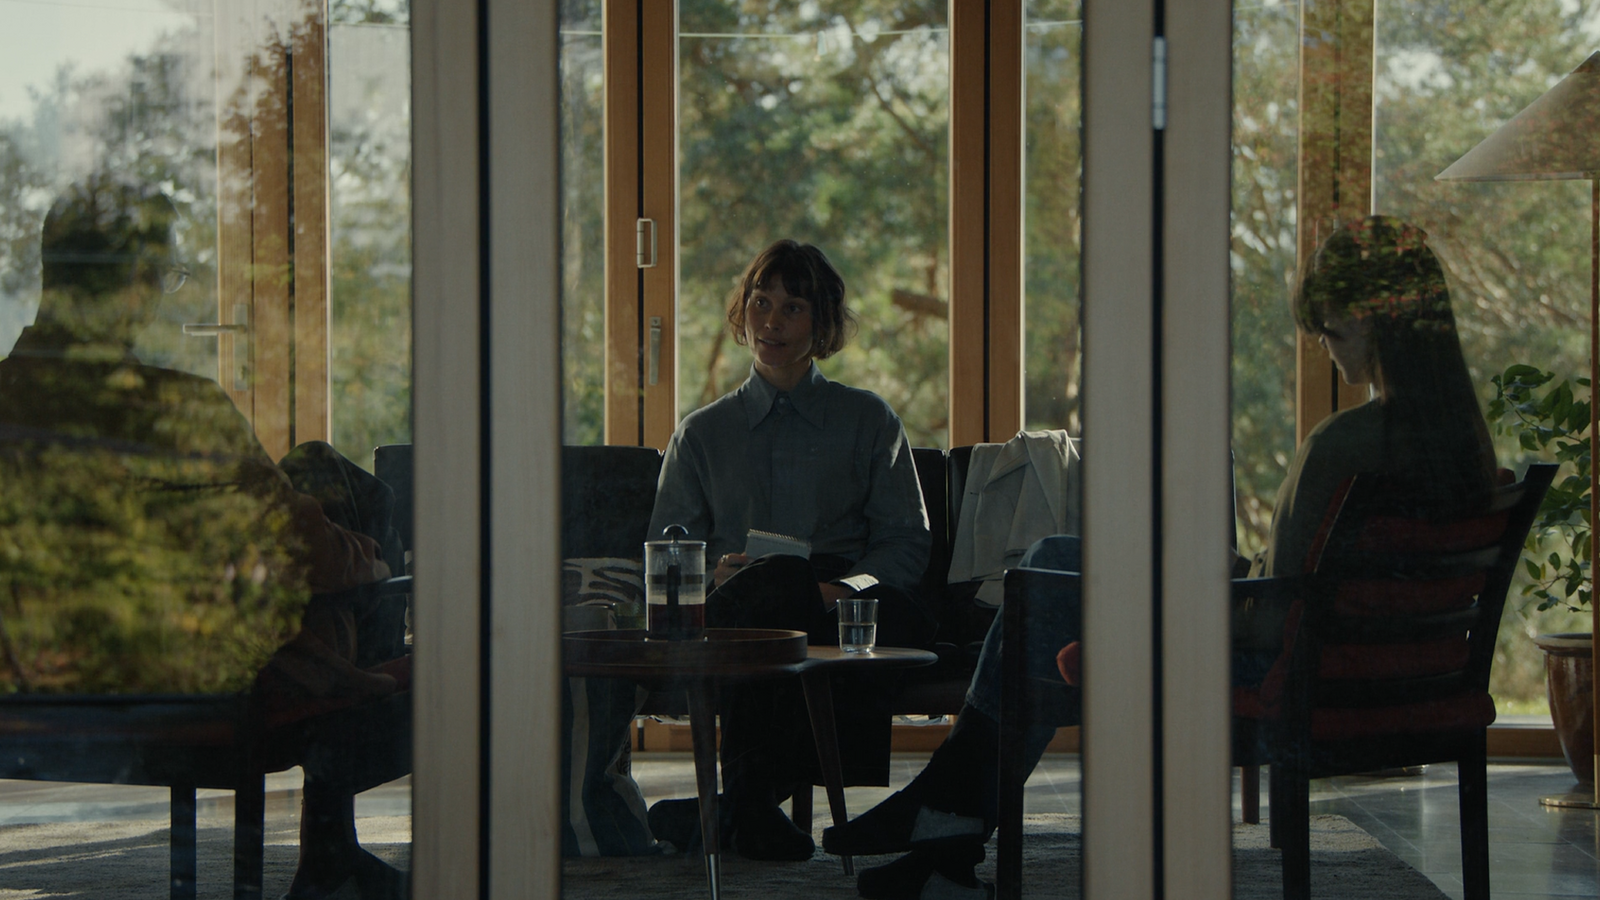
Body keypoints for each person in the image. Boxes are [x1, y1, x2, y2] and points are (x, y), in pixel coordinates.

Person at [821, 215, 1499, 899]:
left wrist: (1199, 586)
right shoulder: (1468, 446)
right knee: (1055, 559)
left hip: (1280, 672)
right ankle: (944, 836)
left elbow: (1274, 613)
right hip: (1389, 675)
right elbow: (1311, 587)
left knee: (1039, 602)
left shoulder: (1341, 446)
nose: (1323, 345)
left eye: (1329, 329)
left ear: (1371, 319)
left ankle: (943, 820)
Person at [0, 176, 408, 899]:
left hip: (29, 686)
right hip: (188, 691)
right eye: (161, 276)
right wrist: (370, 562)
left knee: (311, 491)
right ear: (133, 281)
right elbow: (300, 551)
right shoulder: (176, 410)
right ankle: (330, 852)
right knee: (332, 483)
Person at [644, 239, 936, 861]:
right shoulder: (701, 433)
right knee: (767, 589)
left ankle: (734, 809)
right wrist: (714, 575)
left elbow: (905, 544)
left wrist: (839, 590)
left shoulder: (868, 419)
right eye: (761, 303)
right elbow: (669, 555)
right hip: (742, 605)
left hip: (845, 603)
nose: (771, 321)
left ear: (820, 322)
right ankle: (746, 808)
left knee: (808, 594)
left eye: (793, 308)